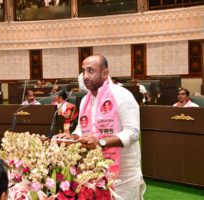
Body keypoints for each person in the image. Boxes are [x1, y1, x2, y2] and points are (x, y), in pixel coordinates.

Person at [54, 55, 145, 200]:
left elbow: (133, 133)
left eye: (90, 71)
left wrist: (101, 142)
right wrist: (72, 137)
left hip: (123, 174)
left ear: (105, 73)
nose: (85, 76)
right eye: (83, 71)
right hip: (95, 169)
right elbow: (81, 129)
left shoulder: (122, 95)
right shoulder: (85, 100)